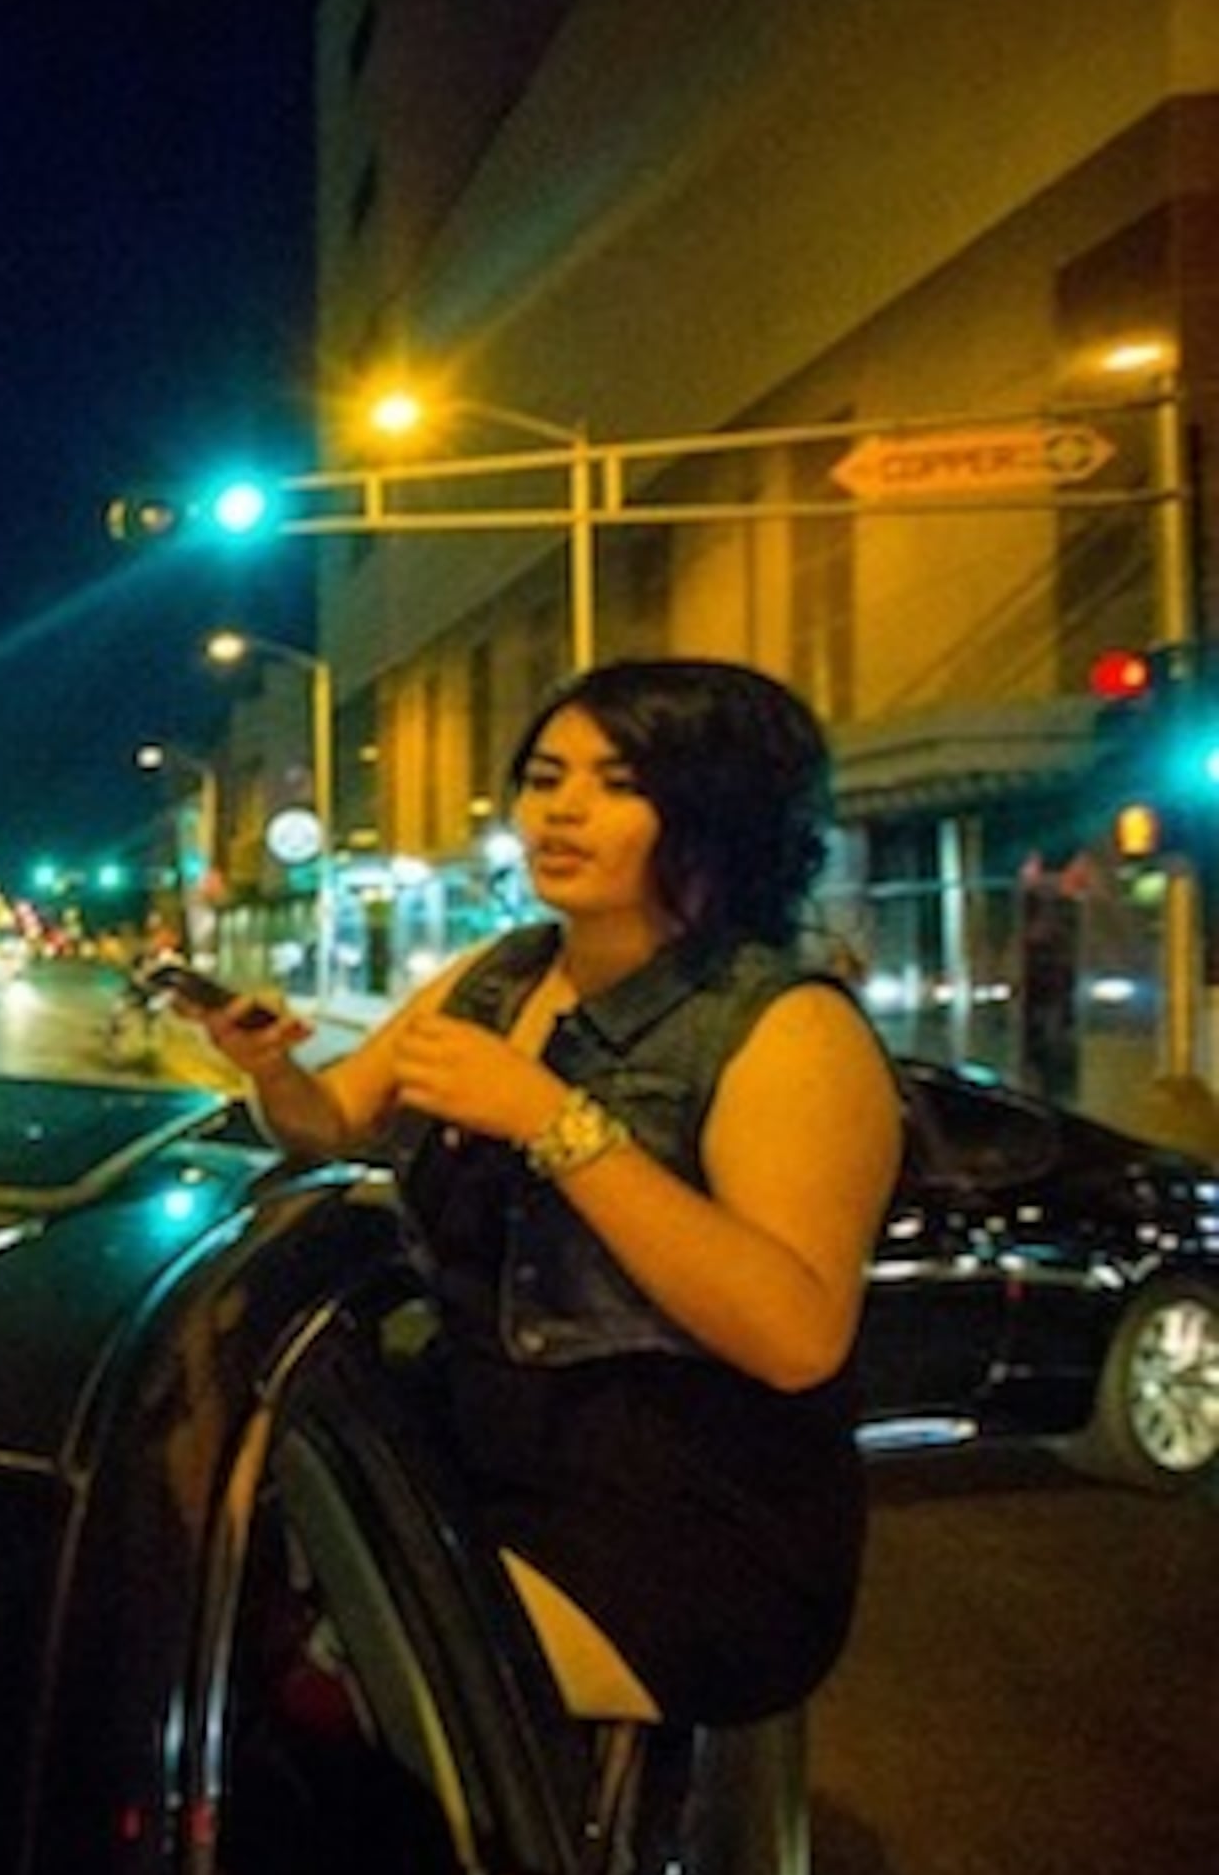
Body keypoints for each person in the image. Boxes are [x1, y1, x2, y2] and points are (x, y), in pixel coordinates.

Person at [169, 659, 900, 1726]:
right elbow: (334, 1120)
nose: (562, 809)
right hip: (476, 1468)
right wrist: (273, 1067)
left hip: (683, 1531)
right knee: (199, 1599)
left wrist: (553, 1121)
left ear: (715, 811)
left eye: (616, 783)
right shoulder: (499, 974)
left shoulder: (786, 1029)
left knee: (310, 1700)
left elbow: (796, 1334)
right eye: (547, 777)